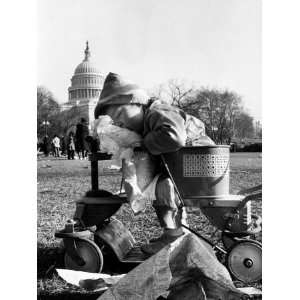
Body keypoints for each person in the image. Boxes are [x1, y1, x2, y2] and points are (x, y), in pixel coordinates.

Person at [94, 73, 212, 255]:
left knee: (163, 188)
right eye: (116, 122)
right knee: (160, 187)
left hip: (198, 164)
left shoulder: (157, 112)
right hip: (185, 168)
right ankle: (177, 233)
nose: (121, 123)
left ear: (136, 102)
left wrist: (144, 143)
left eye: (120, 114)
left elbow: (175, 137)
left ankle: (174, 235)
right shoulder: (150, 120)